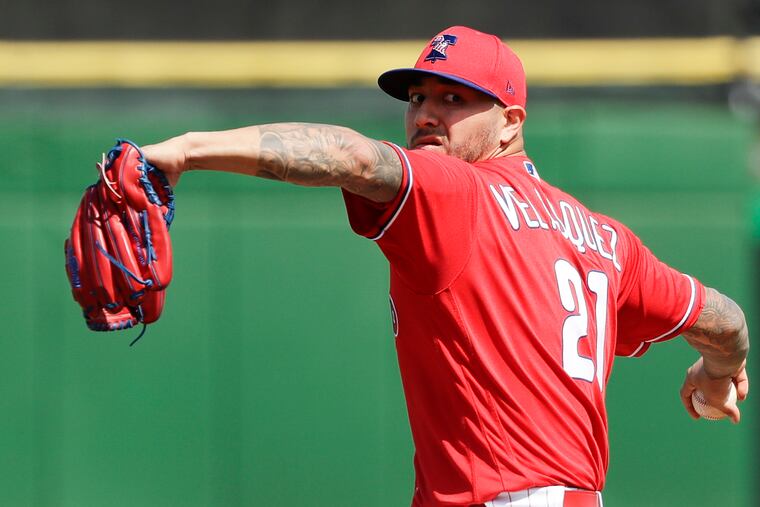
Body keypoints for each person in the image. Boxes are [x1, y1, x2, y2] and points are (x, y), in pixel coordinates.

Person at [141, 25, 750, 507]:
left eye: (454, 99)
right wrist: (720, 371)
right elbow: (726, 319)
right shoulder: (608, 241)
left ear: (512, 122)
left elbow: (352, 158)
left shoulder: (459, 191)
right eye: (418, 98)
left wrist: (182, 153)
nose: (425, 114)